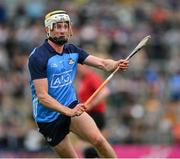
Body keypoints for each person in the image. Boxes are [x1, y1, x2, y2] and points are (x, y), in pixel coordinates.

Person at [28, 10, 129, 158]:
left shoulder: (72, 50)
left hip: (71, 106)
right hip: (48, 118)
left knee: (99, 140)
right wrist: (67, 111)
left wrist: (114, 64)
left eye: (65, 26)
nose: (62, 30)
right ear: (47, 30)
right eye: (57, 27)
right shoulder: (38, 57)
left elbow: (102, 63)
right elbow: (43, 96)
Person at [77, 65, 110, 158]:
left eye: (80, 67)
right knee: (88, 145)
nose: (78, 70)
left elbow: (105, 91)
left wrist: (90, 105)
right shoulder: (83, 79)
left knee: (90, 146)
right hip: (89, 115)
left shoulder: (91, 77)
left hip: (95, 115)